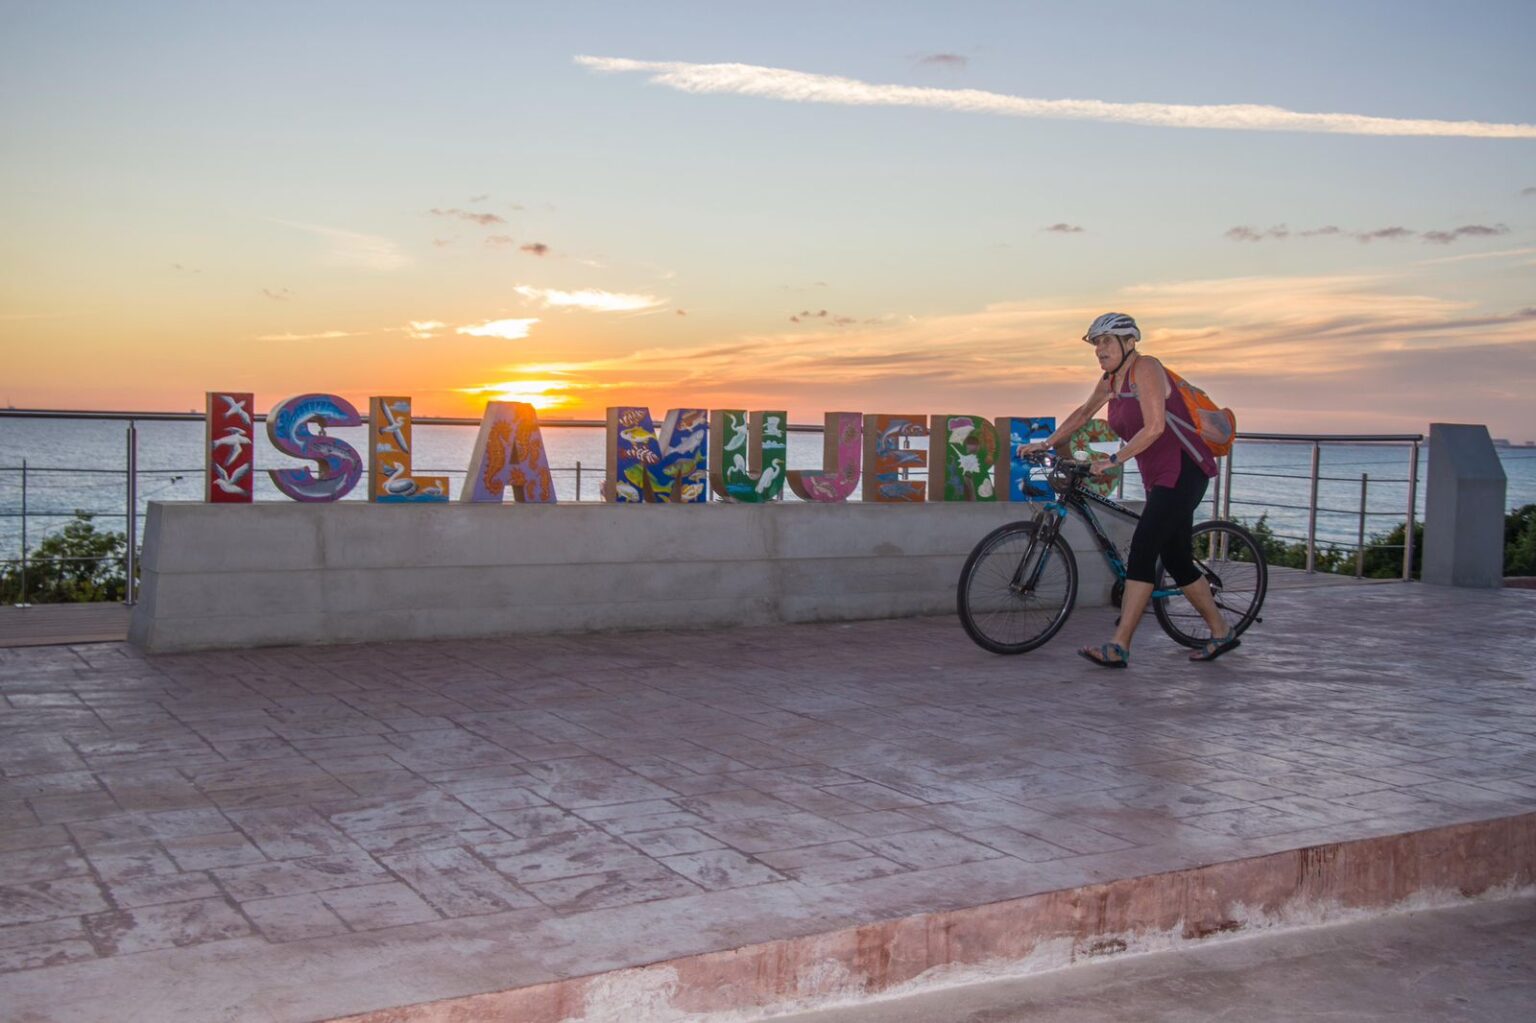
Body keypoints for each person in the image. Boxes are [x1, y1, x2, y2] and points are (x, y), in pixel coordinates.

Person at [1017, 312, 1239, 667]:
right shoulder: (1112, 380)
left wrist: (1113, 460)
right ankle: (1221, 632)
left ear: (1129, 342)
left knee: (1143, 550)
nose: (1099, 349)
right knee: (1178, 560)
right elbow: (1083, 413)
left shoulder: (1146, 369)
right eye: (1096, 342)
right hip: (1159, 476)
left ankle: (1119, 645)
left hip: (1183, 471)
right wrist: (1048, 442)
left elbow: (1154, 427)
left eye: (1106, 341)